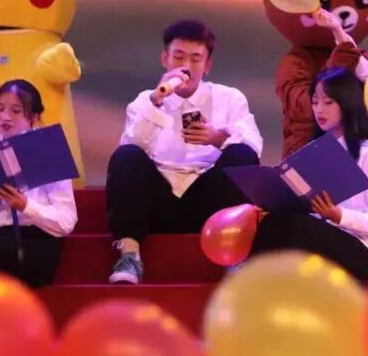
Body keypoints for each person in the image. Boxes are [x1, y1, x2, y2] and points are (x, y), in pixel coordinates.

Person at [104, 19, 263, 284]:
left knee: (242, 156)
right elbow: (132, 144)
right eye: (178, 57)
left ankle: (234, 257)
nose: (186, 66)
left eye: (195, 59)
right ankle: (130, 257)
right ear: (164, 59)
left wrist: (217, 138)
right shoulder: (145, 100)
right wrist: (156, 103)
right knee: (125, 156)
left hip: (209, 203)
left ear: (207, 65)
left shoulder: (229, 98)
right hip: (158, 201)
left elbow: (253, 147)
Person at [249, 67, 368, 286]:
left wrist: (340, 216)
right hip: (325, 239)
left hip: (365, 252)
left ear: (347, 103)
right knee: (276, 219)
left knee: (294, 226)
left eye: (328, 102)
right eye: (315, 102)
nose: (319, 109)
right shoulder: (314, 152)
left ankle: (252, 282)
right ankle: (257, 285)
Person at [0, 80, 78, 287]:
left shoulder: (49, 152)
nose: (5, 117)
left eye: (16, 111)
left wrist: (26, 205)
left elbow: (66, 220)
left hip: (35, 242)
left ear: (34, 117)